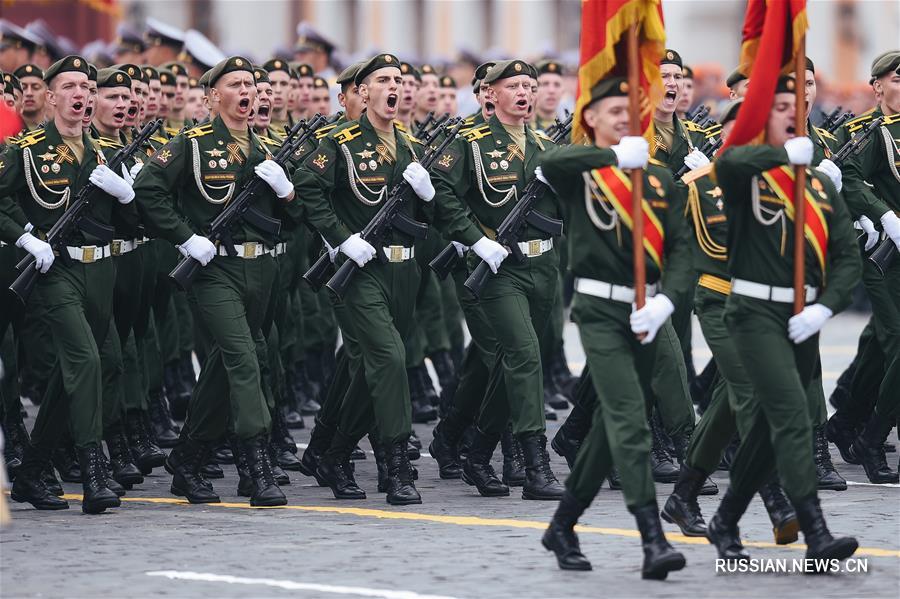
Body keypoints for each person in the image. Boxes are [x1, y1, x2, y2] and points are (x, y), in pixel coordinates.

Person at [537, 75, 690, 579]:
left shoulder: (660, 180)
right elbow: (549, 162)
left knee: (609, 429)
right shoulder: (583, 174)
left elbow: (682, 251)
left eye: (632, 109)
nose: (625, 117)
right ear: (591, 119)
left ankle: (562, 526)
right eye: (612, 110)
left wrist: (667, 300)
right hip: (600, 311)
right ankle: (653, 538)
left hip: (646, 311)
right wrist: (611, 159)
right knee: (629, 418)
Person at [705, 75, 860, 564]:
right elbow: (728, 160)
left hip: (802, 314)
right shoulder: (745, 174)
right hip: (753, 312)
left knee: (774, 427)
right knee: (793, 416)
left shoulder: (817, 183)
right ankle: (815, 530)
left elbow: (847, 257)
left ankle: (726, 519)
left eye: (796, 109)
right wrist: (779, 153)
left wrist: (824, 307)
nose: (790, 116)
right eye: (779, 110)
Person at [134, 56, 297, 508]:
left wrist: (286, 191)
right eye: (236, 84)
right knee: (245, 360)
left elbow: (295, 218)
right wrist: (187, 237)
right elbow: (148, 189)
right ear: (212, 97)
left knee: (226, 368)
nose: (247, 91)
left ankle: (187, 460)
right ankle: (256, 463)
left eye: (251, 83)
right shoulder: (192, 142)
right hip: (215, 270)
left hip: (261, 270)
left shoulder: (267, 149)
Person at [1, 56, 137, 515]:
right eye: (71, 86)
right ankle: (94, 471)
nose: (81, 94)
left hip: (100, 271)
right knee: (85, 360)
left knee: (72, 374)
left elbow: (132, 222)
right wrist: (24, 235)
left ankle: (32, 472)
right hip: (53, 271)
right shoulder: (26, 149)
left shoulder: (102, 152)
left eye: (87, 86)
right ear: (51, 96)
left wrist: (127, 194)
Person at [293, 54, 431, 505]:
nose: (393, 85)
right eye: (383, 80)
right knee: (390, 359)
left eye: (398, 78)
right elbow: (307, 189)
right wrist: (339, 239)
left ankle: (333, 453)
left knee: (374, 367)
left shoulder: (410, 145)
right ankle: (395, 466)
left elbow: (429, 213)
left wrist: (429, 195)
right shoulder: (341, 142)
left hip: (402, 271)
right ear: (364, 91)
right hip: (359, 272)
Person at [432, 59, 565, 501]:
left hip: (542, 267)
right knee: (524, 356)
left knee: (522, 362)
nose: (525, 93)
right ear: (490, 94)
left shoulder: (546, 145)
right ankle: (535, 464)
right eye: (514, 86)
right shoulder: (468, 143)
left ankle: (477, 451)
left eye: (530, 85)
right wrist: (475, 239)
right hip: (498, 269)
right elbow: (441, 191)